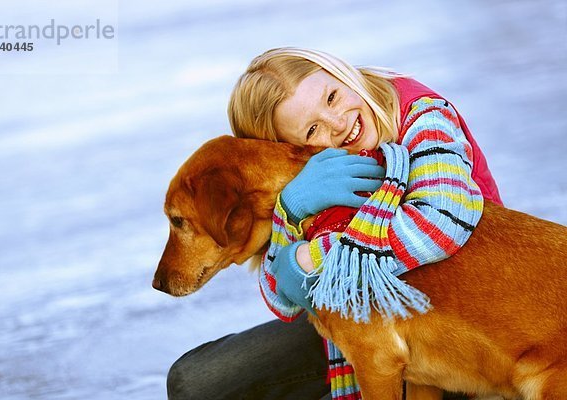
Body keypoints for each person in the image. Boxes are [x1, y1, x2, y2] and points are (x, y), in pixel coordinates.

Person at [167, 47, 502, 400]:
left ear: (343, 75)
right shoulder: (315, 174)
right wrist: (291, 209)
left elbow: (440, 224)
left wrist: (317, 259)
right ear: (292, 149)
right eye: (312, 129)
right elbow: (283, 299)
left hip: (466, 325)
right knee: (193, 382)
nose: (339, 123)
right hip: (371, 316)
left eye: (332, 96)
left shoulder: (423, 117)